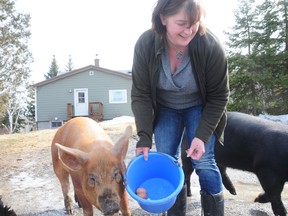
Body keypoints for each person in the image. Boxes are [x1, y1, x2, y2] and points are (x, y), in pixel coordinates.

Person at [131, 0, 229, 215]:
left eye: (194, 23)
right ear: (163, 18)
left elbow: (219, 95)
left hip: (200, 106)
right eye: (181, 23)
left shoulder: (210, 46)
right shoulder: (146, 44)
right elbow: (141, 94)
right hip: (165, 107)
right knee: (167, 160)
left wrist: (201, 136)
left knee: (203, 160)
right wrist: (145, 136)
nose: (188, 31)